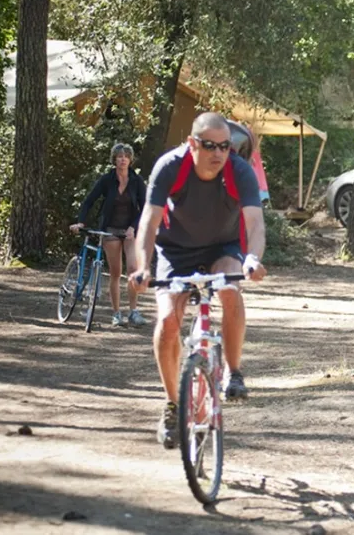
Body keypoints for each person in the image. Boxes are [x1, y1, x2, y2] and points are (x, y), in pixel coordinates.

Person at [129, 112, 267, 449]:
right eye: (209, 146)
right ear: (192, 143)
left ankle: (234, 372)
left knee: (230, 290)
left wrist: (253, 258)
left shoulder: (239, 170)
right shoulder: (170, 167)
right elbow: (149, 221)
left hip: (224, 247)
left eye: (224, 146)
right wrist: (142, 267)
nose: (218, 153)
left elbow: (255, 222)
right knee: (167, 321)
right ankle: (173, 405)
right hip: (176, 251)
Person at [70, 143, 147, 327]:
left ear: (130, 160)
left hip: (130, 231)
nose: (123, 159)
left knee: (132, 269)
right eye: (119, 156)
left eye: (126, 156)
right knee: (115, 272)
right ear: (114, 159)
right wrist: (81, 221)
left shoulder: (137, 181)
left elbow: (145, 208)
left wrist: (133, 227)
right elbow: (89, 201)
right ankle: (116, 314)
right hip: (110, 229)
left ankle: (134, 312)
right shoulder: (107, 180)